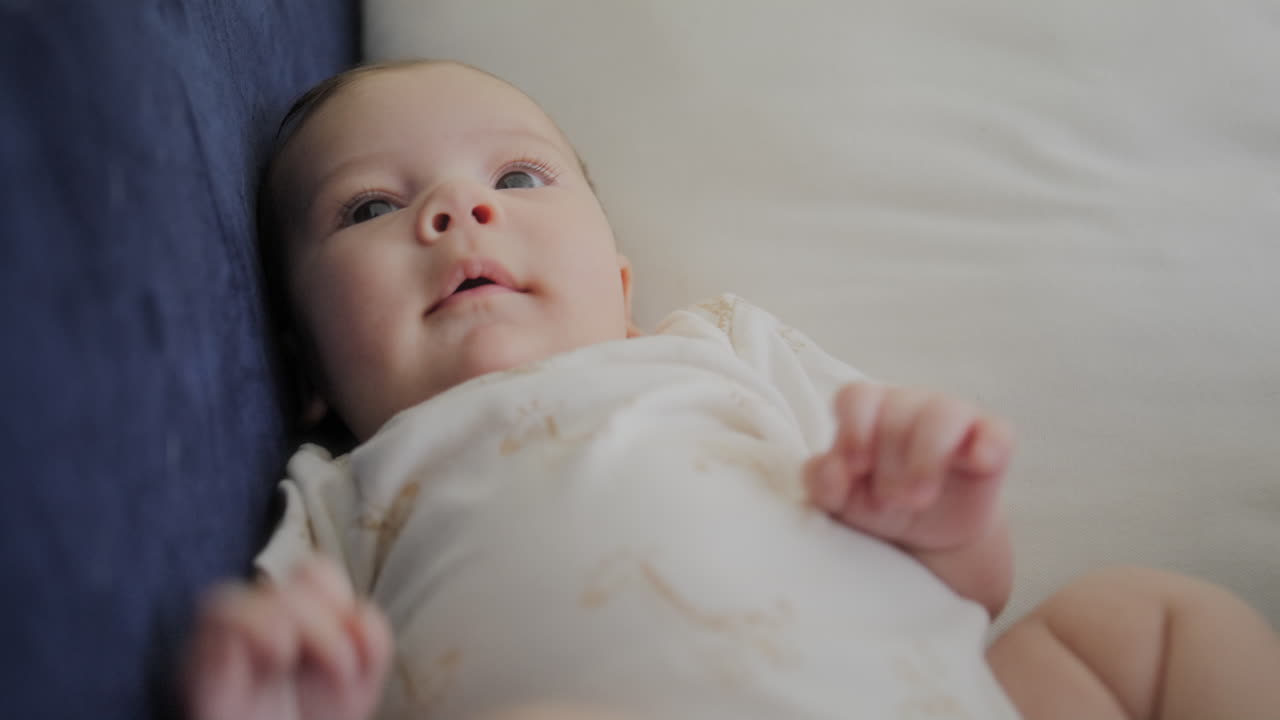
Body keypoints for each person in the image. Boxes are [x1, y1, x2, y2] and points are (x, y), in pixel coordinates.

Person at [184, 59, 1280, 720]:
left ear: (619, 285)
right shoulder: (337, 495)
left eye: (516, 179)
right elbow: (304, 668)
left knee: (1138, 625)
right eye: (369, 207)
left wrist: (940, 519)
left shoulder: (715, 347)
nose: (457, 212)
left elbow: (972, 592)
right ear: (310, 369)